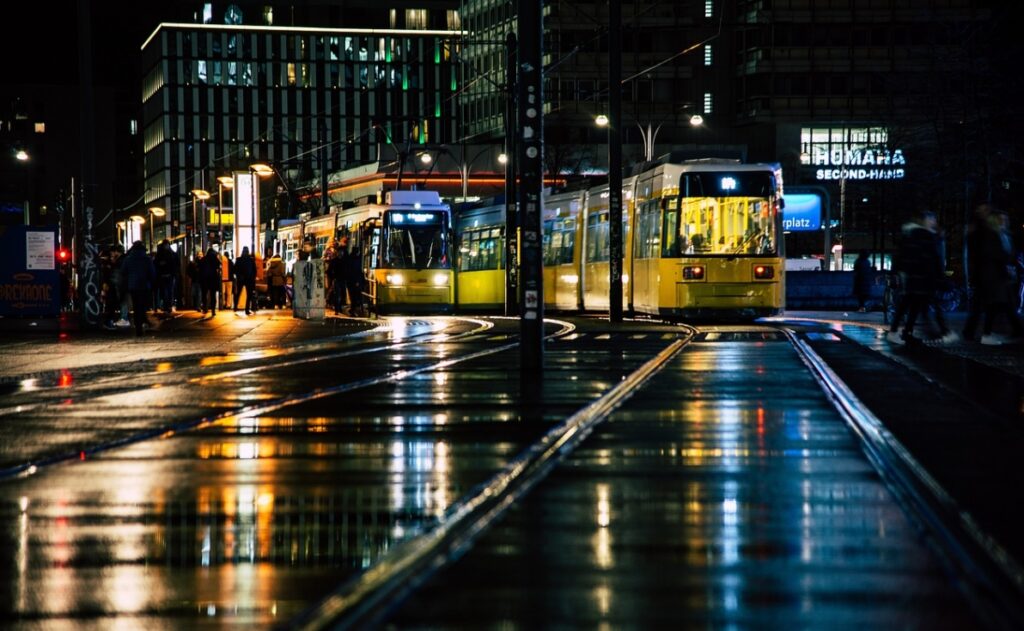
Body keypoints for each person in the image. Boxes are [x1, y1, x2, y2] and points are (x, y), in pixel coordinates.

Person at [886, 210, 956, 345]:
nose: (934, 222)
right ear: (925, 220)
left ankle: (904, 332)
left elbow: (905, 256)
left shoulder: (913, 234)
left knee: (912, 306)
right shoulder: (923, 235)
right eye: (931, 219)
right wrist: (938, 276)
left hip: (917, 277)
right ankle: (942, 332)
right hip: (923, 277)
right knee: (921, 305)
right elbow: (930, 258)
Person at [962, 206, 1024, 344]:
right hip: (992, 276)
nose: (1004, 221)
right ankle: (986, 333)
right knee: (993, 305)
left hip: (1001, 276)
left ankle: (995, 332)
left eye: (1005, 219)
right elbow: (992, 254)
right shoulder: (989, 233)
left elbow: (1009, 254)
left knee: (1001, 305)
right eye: (1001, 219)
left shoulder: (1005, 235)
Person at [121, 240, 156, 336]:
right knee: (142, 305)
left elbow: (123, 271)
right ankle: (142, 321)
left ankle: (138, 325)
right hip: (144, 285)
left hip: (133, 285)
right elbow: (152, 273)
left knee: (136, 305)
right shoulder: (147, 259)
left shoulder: (128, 259)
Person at [153, 239, 180, 314]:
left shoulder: (160, 254)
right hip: (170, 275)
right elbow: (177, 264)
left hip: (163, 275)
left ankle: (166, 306)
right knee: (169, 291)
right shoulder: (173, 254)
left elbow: (156, 264)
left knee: (165, 291)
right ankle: (169, 306)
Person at [233, 246, 257, 315]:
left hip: (240, 279)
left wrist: (238, 275)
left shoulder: (239, 259)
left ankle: (235, 307)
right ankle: (247, 309)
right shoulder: (251, 260)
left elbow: (235, 269)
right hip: (249, 279)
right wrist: (253, 278)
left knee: (238, 293)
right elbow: (254, 270)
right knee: (249, 295)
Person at [199, 246, 222, 316]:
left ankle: (205, 308)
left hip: (204, 279)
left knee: (204, 294)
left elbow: (200, 268)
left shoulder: (203, 259)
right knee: (213, 295)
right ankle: (213, 310)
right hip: (213, 279)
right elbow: (219, 266)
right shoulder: (215, 259)